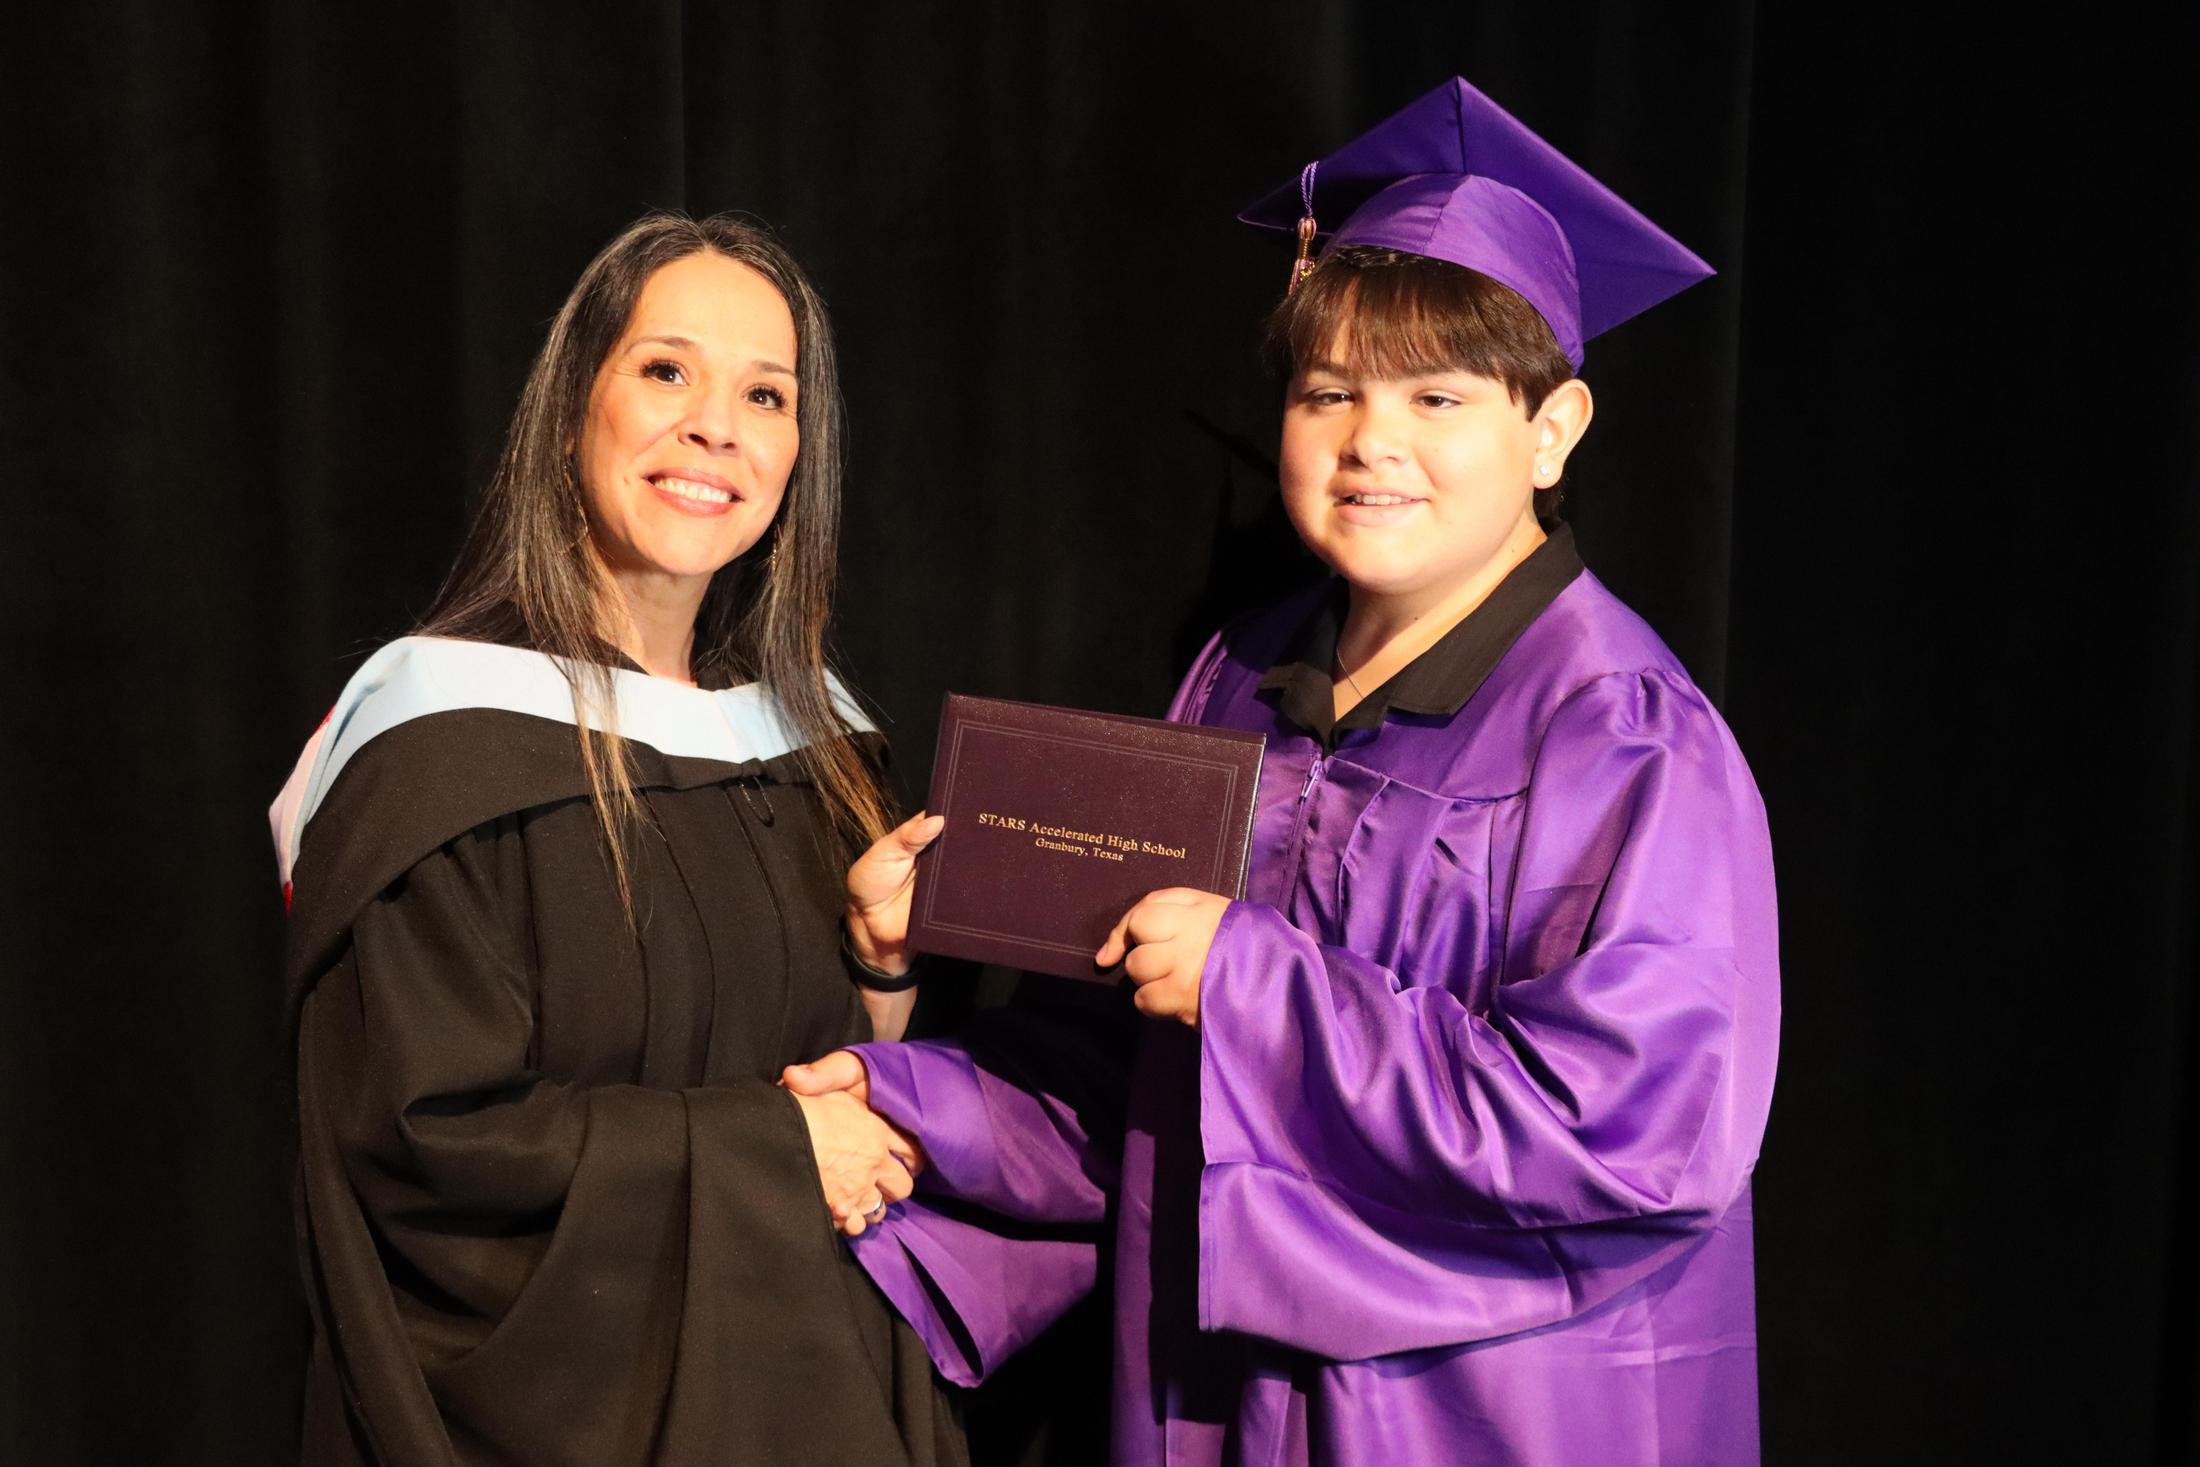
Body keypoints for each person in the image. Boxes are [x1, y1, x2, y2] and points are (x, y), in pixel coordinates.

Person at [786, 78, 1780, 1466]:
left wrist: (1253, 985)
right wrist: (896, 1096)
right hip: (1218, 1395)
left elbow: (1628, 1134)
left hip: (1487, 1412)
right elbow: (1124, 1067)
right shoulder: (1238, 681)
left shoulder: (1624, 735)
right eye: (1330, 394)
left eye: (1437, 396)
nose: (1373, 440)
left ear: (1552, 429)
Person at [269, 212, 966, 1465]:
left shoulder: (820, 752)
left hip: (807, 1395)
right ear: (571, 406)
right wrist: (773, 1155)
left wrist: (879, 965)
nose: (716, 428)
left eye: (766, 395)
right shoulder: (442, 749)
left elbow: (849, 1101)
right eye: (666, 371)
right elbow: (428, 1144)